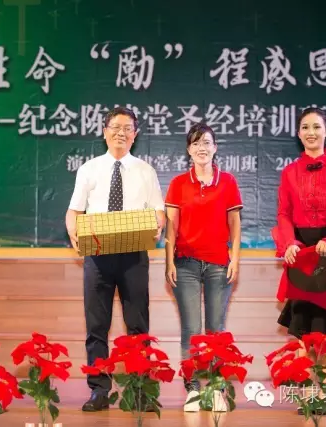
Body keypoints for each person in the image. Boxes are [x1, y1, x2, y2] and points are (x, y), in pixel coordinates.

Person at [66, 106, 165, 411]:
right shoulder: (89, 169)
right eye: (116, 127)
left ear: (135, 135)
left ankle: (139, 389)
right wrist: (75, 234)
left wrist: (155, 226)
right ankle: (99, 390)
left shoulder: (146, 171)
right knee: (97, 325)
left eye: (128, 128)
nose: (121, 133)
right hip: (97, 256)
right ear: (104, 131)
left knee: (138, 324)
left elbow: (159, 213)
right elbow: (74, 211)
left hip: (134, 255)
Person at [272, 107, 326, 415]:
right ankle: (310, 395)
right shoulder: (289, 172)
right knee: (305, 331)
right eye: (305, 127)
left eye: (317, 127)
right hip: (301, 255)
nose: (311, 132)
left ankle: (325, 396)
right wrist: (288, 244)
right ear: (299, 134)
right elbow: (282, 214)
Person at [164, 122, 242, 412]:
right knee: (191, 330)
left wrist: (235, 258)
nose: (202, 148)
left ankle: (217, 387)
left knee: (215, 329)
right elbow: (170, 228)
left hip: (219, 264)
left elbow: (235, 225)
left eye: (207, 142)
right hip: (184, 264)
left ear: (215, 147)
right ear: (188, 150)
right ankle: (193, 389)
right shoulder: (178, 184)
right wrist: (169, 261)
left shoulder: (228, 182)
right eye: (196, 143)